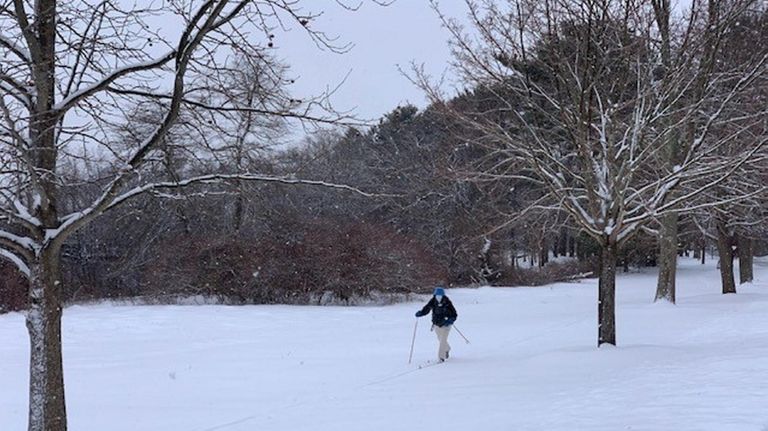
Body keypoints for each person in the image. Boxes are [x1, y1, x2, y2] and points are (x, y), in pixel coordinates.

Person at [415, 287, 458, 362]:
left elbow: (454, 314)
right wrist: (421, 313)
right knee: (440, 339)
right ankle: (447, 349)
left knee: (442, 340)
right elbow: (426, 309)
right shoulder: (433, 301)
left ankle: (441, 357)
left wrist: (450, 320)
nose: (438, 297)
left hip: (446, 324)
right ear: (434, 295)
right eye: (437, 295)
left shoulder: (447, 302)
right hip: (436, 323)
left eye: (440, 295)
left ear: (443, 296)